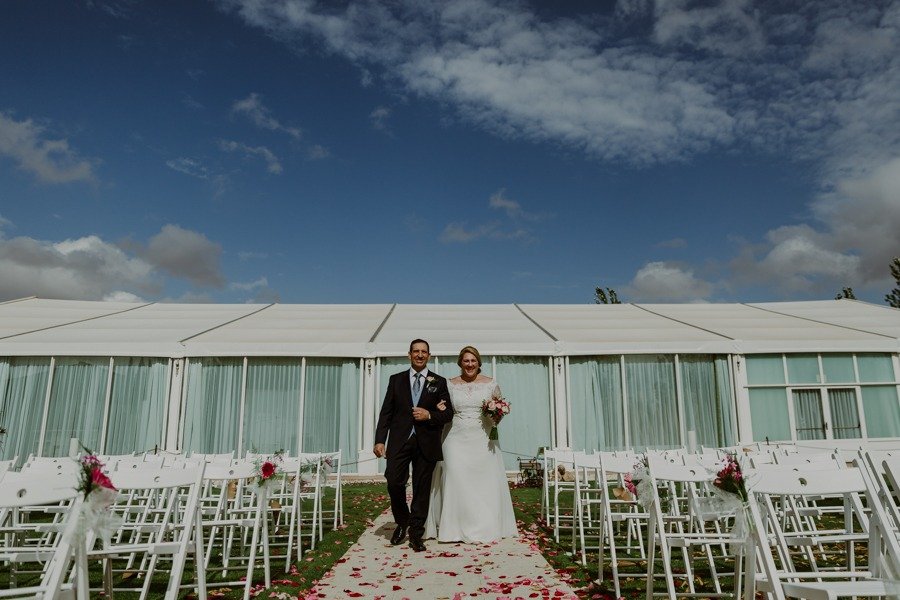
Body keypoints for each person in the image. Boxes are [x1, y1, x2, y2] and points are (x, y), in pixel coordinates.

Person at [425, 345, 517, 542]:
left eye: (473, 361)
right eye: (466, 361)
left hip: (482, 439)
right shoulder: (448, 384)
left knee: (483, 483)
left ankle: (484, 526)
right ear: (460, 363)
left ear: (478, 363)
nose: (469, 364)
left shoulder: (491, 384)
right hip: (455, 438)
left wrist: (497, 414)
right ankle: (453, 529)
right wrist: (438, 408)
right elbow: (443, 410)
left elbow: (499, 412)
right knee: (455, 477)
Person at [374, 339, 453, 552]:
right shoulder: (396, 380)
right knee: (393, 481)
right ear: (409, 354)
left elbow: (447, 414)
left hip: (426, 443)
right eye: (416, 351)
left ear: (429, 355)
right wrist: (380, 440)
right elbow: (386, 413)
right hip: (400, 441)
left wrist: (429, 415)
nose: (419, 355)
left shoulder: (439, 381)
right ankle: (402, 521)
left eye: (424, 352)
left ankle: (416, 534)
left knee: (421, 489)